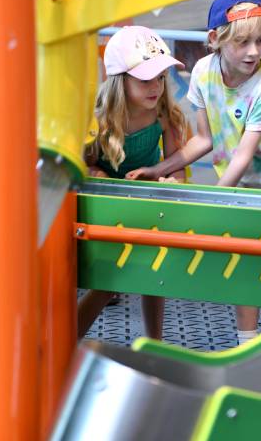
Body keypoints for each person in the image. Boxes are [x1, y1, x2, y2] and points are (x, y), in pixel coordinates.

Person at [127, 0, 261, 345]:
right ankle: (247, 344)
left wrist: (213, 197)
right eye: (242, 43)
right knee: (244, 262)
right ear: (215, 39)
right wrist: (160, 168)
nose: (254, 51)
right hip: (241, 185)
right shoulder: (203, 72)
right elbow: (204, 139)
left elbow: (243, 155)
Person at [78, 25, 187, 339]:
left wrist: (172, 181)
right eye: (145, 79)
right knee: (110, 278)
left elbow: (176, 165)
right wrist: (97, 175)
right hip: (108, 205)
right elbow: (85, 166)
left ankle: (155, 340)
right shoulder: (100, 120)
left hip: (147, 201)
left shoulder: (166, 115)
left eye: (161, 78)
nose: (156, 87)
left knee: (152, 273)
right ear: (119, 81)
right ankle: (66, 343)